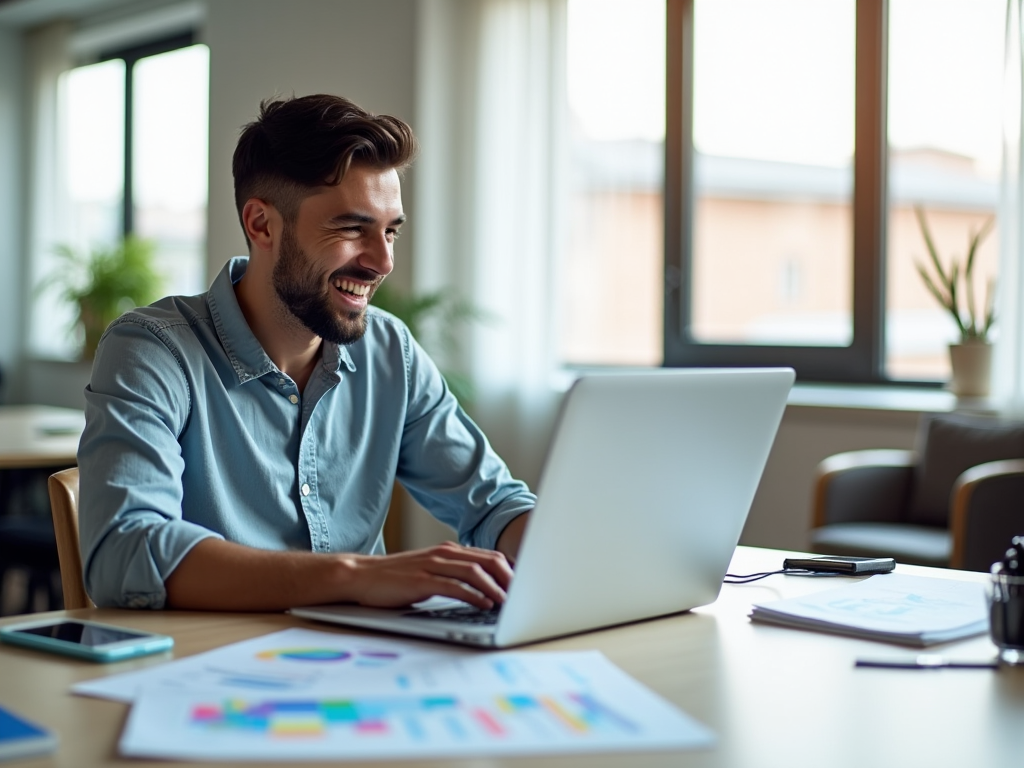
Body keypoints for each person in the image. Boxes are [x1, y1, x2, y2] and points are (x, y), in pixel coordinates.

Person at [78, 94, 534, 611]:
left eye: (390, 231)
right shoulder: (154, 352)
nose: (382, 261)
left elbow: (495, 504)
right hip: (210, 672)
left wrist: (570, 554)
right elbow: (125, 553)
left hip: (366, 665)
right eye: (351, 228)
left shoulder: (391, 352)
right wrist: (354, 576)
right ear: (262, 225)